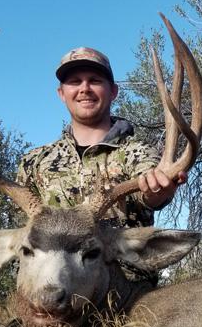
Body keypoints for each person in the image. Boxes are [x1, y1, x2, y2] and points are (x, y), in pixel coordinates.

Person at [17, 47, 185, 231]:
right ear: (61, 94)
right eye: (75, 81)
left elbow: (151, 188)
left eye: (95, 81)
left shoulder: (138, 153)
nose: (84, 89)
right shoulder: (34, 162)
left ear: (113, 91)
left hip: (118, 259)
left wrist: (156, 191)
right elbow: (24, 233)